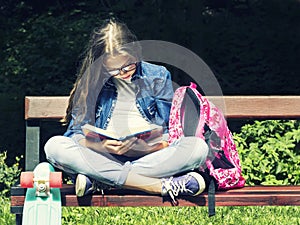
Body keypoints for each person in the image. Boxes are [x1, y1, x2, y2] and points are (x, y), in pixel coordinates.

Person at [44, 19, 209, 202]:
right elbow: (74, 134)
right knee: (54, 146)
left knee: (197, 148)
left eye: (128, 65)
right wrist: (99, 145)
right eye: (113, 70)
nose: (123, 73)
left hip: (147, 159)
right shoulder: (91, 82)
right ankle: (160, 186)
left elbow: (169, 133)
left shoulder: (158, 75)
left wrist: (145, 148)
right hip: (102, 157)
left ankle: (103, 181)